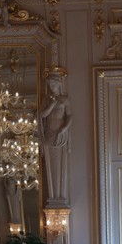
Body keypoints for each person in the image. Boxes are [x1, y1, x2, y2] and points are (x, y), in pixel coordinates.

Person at [38, 70, 71, 203]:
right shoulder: (47, 100)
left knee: (60, 162)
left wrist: (65, 128)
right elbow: (42, 115)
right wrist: (51, 105)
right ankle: (53, 196)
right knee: (49, 161)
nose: (51, 87)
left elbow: (69, 116)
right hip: (49, 133)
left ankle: (58, 197)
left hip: (60, 133)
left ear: (58, 84)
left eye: (53, 84)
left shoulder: (64, 99)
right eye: (49, 85)